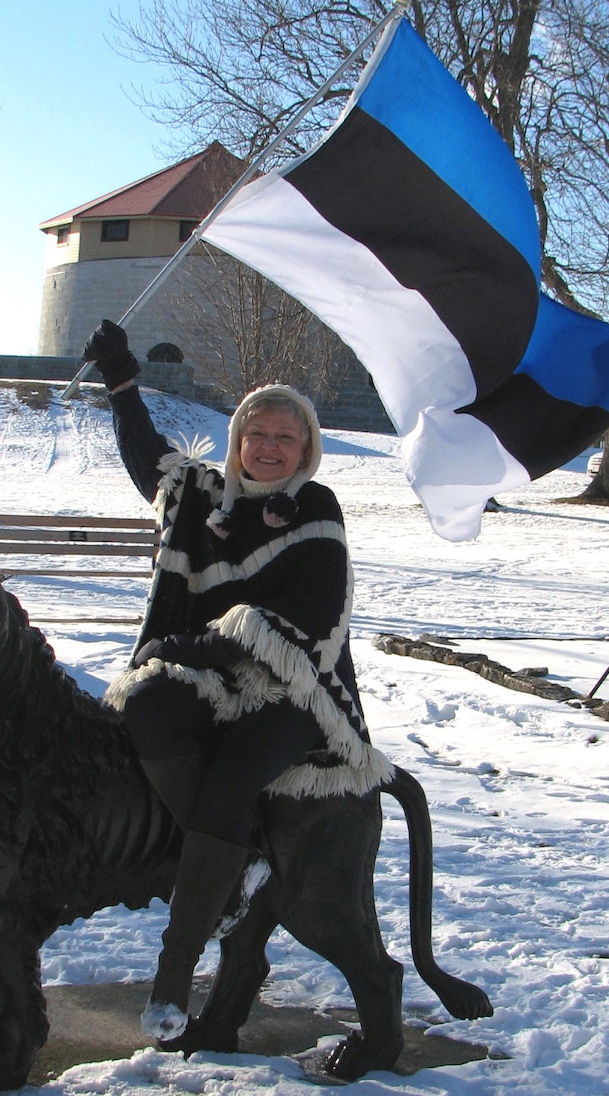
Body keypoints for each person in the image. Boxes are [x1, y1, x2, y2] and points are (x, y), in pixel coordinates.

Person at [82, 319, 391, 1045]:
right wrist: (121, 380)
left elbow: (302, 623)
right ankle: (239, 861)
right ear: (239, 442)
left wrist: (191, 643)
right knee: (147, 701)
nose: (270, 448)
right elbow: (148, 461)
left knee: (227, 782)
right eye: (258, 436)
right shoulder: (207, 500)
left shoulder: (316, 509)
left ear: (307, 449)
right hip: (215, 680)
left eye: (286, 438)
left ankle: (174, 969)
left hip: (298, 691)